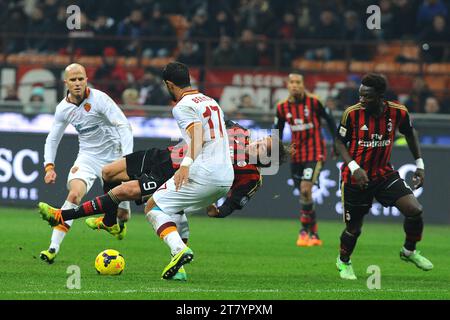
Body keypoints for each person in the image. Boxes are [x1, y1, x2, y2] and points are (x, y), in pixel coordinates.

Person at [38, 120, 288, 279]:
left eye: (261, 147)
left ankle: (64, 215)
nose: (254, 143)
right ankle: (111, 221)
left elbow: (231, 205)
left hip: (177, 175)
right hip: (166, 156)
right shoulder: (238, 132)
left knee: (128, 193)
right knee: (108, 172)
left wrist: (216, 210)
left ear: (266, 159)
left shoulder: (250, 177)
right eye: (259, 140)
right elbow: (209, 122)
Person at [334, 73, 433, 280]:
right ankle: (344, 262)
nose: (361, 100)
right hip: (355, 179)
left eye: (366, 96)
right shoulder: (351, 114)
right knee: (354, 229)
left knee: (415, 210)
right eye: (360, 95)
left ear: (380, 96)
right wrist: (354, 167)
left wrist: (420, 165)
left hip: (383, 174)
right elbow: (339, 143)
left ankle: (409, 251)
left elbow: (410, 133)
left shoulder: (398, 112)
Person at [39, 63, 133, 264]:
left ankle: (118, 224)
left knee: (123, 215)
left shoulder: (100, 99)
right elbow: (53, 138)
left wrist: (127, 158)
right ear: (66, 83)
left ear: (86, 79)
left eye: (81, 78)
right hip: (88, 157)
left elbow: (124, 125)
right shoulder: (63, 109)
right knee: (73, 195)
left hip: (115, 157)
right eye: (73, 80)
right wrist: (49, 166)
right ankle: (52, 248)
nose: (77, 83)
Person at [274, 73, 337, 247]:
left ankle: (303, 231)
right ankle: (314, 233)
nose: (294, 85)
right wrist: (275, 151)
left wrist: (337, 144)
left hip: (315, 152)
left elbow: (330, 121)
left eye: (298, 82)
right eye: (292, 82)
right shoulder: (281, 107)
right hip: (296, 154)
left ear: (303, 85)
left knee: (305, 188)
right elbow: (277, 130)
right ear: (288, 85)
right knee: (305, 195)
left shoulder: (315, 102)